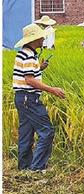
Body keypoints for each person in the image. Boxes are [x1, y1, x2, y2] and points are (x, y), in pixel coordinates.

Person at [12, 23, 66, 172]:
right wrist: (52, 90)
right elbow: (29, 80)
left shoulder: (25, 53)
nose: (43, 39)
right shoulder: (29, 55)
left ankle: (25, 167)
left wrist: (40, 68)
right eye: (40, 37)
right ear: (33, 40)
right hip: (29, 99)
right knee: (47, 131)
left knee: (26, 133)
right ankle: (37, 168)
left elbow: (28, 74)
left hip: (21, 98)